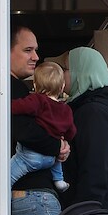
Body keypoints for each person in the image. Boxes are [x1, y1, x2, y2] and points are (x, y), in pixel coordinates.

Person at [6, 25, 67, 215]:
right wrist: (57, 145)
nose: (36, 57)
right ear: (5, 50)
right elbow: (26, 131)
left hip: (28, 197)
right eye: (28, 50)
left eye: (36, 50)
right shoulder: (9, 90)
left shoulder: (18, 90)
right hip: (34, 199)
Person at [62, 47, 108, 215]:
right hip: (96, 214)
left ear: (81, 73)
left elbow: (94, 171)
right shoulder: (92, 107)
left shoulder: (93, 112)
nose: (64, 75)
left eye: (67, 69)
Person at [9, 60, 71, 192]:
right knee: (57, 161)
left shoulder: (38, 100)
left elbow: (20, 107)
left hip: (31, 157)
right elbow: (71, 130)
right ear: (62, 87)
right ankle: (59, 180)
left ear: (35, 85)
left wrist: (6, 104)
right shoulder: (66, 109)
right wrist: (65, 141)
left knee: (7, 177)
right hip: (51, 159)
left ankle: (3, 202)